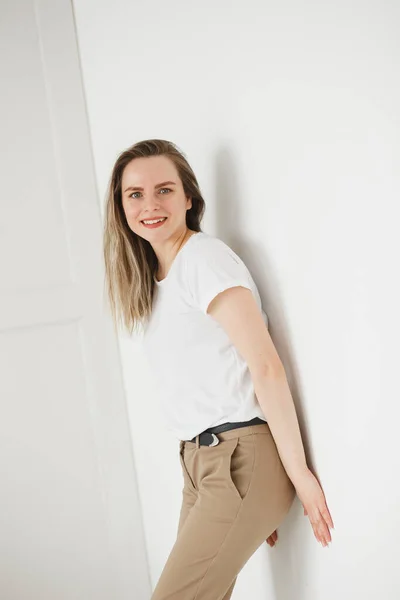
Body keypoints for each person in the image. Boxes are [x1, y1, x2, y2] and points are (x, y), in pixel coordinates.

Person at [103, 139, 334, 600]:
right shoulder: (155, 279)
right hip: (203, 467)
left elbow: (265, 366)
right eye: (135, 194)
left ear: (189, 198)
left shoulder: (202, 260)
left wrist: (296, 475)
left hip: (239, 462)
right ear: (120, 205)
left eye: (164, 190)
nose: (150, 204)